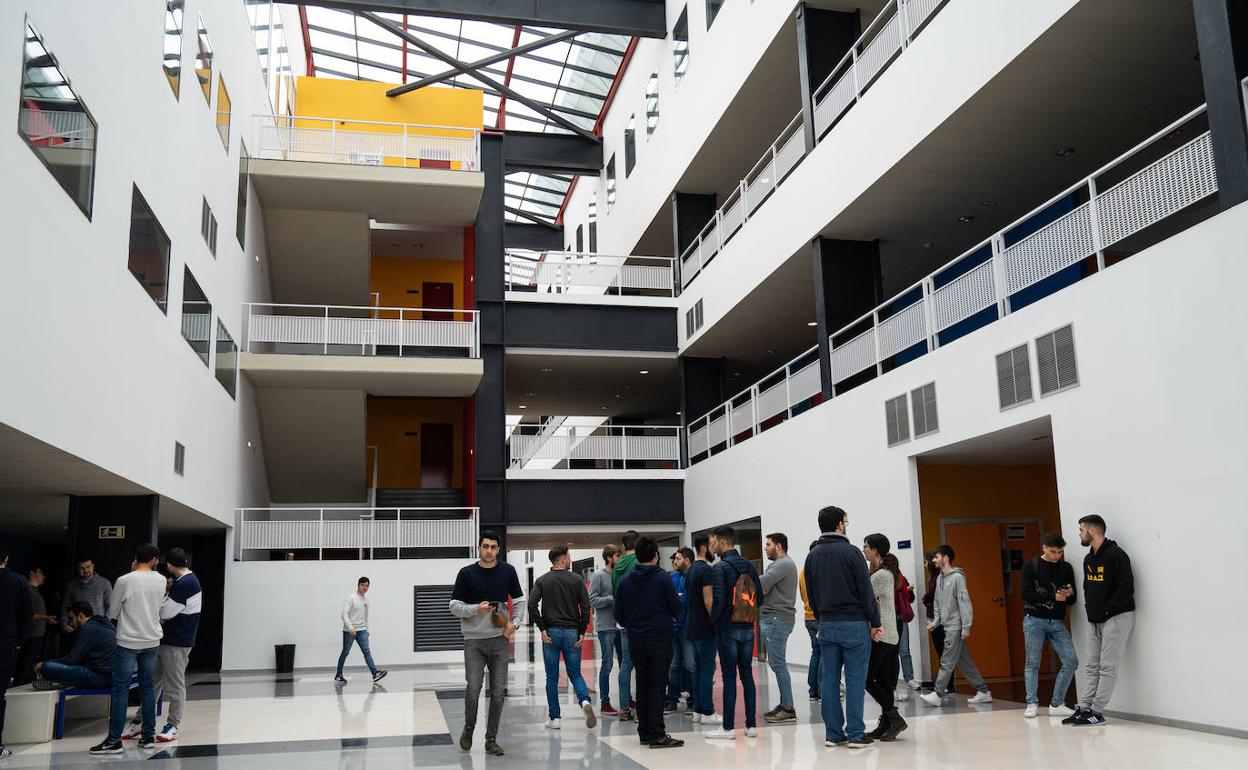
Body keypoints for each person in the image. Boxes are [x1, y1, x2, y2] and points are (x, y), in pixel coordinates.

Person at [804, 506, 882, 749]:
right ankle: (856, 734)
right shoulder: (851, 553)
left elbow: (812, 594)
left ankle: (833, 734)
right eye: (845, 521)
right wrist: (875, 622)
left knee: (829, 681)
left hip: (826, 624)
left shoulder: (812, 555)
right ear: (840, 524)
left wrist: (821, 617)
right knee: (855, 680)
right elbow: (865, 591)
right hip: (854, 624)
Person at [449, 531, 526, 757]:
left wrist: (516, 623)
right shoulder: (466, 573)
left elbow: (520, 602)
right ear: (479, 547)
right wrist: (475, 609)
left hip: (499, 640)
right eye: (485, 546)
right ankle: (469, 727)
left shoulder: (507, 571)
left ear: (498, 549)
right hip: (473, 641)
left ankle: (491, 739)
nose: (489, 551)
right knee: (473, 689)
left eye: (493, 547)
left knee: (499, 693)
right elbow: (453, 606)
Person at [89, 544, 167, 755]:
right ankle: (148, 737)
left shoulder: (124, 580)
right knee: (148, 688)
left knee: (121, 689)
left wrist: (132, 573)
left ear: (136, 559)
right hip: (151, 641)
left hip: (127, 642)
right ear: (154, 560)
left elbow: (113, 611)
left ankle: (114, 740)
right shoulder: (160, 580)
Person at [121, 548, 203, 742]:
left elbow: (166, 613)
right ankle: (140, 721)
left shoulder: (185, 584)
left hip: (177, 642)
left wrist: (155, 606)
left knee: (173, 685)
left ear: (169, 565)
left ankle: (173, 725)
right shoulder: (188, 580)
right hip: (169, 641)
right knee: (152, 683)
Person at [1064, 515, 1134, 727]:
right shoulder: (1089, 558)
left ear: (1091, 531)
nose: (1079, 534)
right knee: (1091, 665)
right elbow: (1088, 588)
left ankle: (1097, 711)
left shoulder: (1116, 555)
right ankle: (1084, 708)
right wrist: (1091, 612)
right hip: (1095, 619)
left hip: (1117, 617)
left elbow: (1126, 588)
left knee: (1107, 666)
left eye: (1081, 530)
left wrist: (1107, 611)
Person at [615, 537, 684, 749]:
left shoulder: (626, 580)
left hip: (636, 638)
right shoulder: (662, 578)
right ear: (655, 555)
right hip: (659, 637)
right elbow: (676, 608)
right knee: (657, 685)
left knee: (643, 684)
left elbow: (619, 614)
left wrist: (634, 625)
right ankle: (657, 734)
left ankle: (644, 731)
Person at [703, 526, 762, 741]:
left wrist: (715, 621)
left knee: (729, 678)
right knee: (747, 676)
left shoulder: (719, 568)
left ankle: (728, 728)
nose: (713, 546)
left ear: (721, 541)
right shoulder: (748, 565)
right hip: (747, 628)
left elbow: (718, 602)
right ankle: (751, 726)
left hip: (727, 630)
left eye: (714, 542)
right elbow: (760, 598)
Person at [530, 545, 595, 730]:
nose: (570, 558)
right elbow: (586, 607)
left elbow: (531, 605)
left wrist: (542, 628)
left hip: (551, 633)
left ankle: (555, 718)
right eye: (568, 556)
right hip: (572, 633)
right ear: (562, 559)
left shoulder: (542, 580)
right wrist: (582, 631)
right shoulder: (576, 579)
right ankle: (584, 702)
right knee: (575, 673)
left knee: (552, 677)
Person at [920, 545, 993, 707]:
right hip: (946, 624)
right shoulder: (939, 578)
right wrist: (936, 622)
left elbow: (964, 602)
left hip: (956, 625)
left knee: (946, 659)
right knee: (963, 660)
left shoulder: (958, 577)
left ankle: (937, 693)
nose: (934, 560)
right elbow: (937, 602)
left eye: (936, 557)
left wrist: (966, 627)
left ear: (945, 558)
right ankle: (983, 691)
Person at [1021, 532, 1078, 719]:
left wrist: (1069, 594)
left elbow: (1073, 599)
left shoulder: (1066, 567)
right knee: (1033, 663)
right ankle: (1031, 702)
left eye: (1060, 552)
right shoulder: (1031, 565)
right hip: (1034, 619)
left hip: (1057, 621)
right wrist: (1052, 597)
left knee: (1071, 660)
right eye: (1053, 552)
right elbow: (1026, 593)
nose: (1057, 556)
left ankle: (1057, 703)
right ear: (1044, 547)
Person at [862, 536, 907, 741]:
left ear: (876, 550)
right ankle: (887, 722)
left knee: (866, 678)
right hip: (889, 633)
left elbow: (864, 599)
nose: (864, 550)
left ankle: (894, 717)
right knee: (884, 681)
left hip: (881, 634)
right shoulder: (886, 573)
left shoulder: (881, 575)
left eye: (866, 547)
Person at [0, 543, 35, 760]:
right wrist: (19, 642)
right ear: (6, 559)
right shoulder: (18, 582)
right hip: (6, 644)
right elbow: (28, 616)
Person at [760, 532, 798, 724]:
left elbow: (760, 584)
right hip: (776, 618)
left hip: (776, 619)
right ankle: (785, 703)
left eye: (768, 544)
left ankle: (788, 707)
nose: (765, 547)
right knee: (777, 664)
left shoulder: (783, 564)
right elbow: (765, 587)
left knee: (778, 664)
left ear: (779, 546)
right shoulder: (778, 565)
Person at [35, 601, 114, 690]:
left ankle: (57, 680)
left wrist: (43, 664)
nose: (70, 623)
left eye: (71, 618)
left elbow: (71, 659)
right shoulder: (104, 625)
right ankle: (61, 681)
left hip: (100, 677)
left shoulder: (88, 629)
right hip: (111, 676)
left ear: (80, 616)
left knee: (47, 667)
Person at [684, 534, 721, 725]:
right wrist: (716, 621)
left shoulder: (690, 570)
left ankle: (698, 709)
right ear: (704, 549)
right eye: (713, 545)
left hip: (692, 626)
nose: (715, 549)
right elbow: (708, 600)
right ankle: (707, 710)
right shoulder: (707, 571)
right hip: (705, 627)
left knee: (698, 670)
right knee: (707, 670)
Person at [589, 544, 624, 716]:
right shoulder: (599, 576)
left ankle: (626, 698)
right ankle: (605, 702)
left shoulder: (621, 575)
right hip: (606, 627)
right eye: (618, 556)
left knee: (625, 664)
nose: (620, 559)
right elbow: (592, 600)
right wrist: (612, 599)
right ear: (609, 558)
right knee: (607, 664)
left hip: (622, 626)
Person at [335, 577, 387, 685]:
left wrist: (367, 630)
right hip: (349, 631)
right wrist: (350, 628)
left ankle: (375, 674)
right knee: (345, 652)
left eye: (367, 585)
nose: (365, 587)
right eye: (363, 585)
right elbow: (344, 614)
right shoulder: (351, 598)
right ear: (358, 585)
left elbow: (366, 616)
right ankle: (338, 675)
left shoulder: (366, 600)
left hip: (362, 630)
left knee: (367, 651)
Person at [611, 530, 640, 721]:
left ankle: (623, 708)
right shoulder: (638, 563)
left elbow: (615, 593)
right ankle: (640, 707)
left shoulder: (617, 566)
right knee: (641, 665)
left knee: (625, 665)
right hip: (639, 621)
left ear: (623, 547)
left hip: (622, 621)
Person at [921, 549, 955, 695]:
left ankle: (946, 685)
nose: (926, 564)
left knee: (943, 652)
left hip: (939, 619)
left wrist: (924, 598)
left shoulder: (938, 577)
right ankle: (945, 684)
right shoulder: (936, 576)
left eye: (926, 561)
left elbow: (932, 595)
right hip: (938, 618)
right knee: (942, 652)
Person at [15, 567, 56, 685]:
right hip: (30, 635)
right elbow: (26, 614)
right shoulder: (27, 590)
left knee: (29, 668)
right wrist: (45, 618)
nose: (43, 576)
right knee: (24, 667)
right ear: (32, 573)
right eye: (41, 573)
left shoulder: (36, 591)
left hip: (36, 636)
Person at [664, 547, 694, 713]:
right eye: (675, 559)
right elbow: (671, 599)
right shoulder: (672, 577)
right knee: (674, 665)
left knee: (690, 664)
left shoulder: (692, 576)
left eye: (678, 559)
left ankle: (693, 700)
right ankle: (672, 699)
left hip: (688, 628)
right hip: (673, 628)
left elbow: (688, 599)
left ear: (687, 560)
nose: (675, 562)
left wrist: (679, 597)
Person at [61, 557, 112, 629]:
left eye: (88, 567)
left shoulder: (105, 583)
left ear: (93, 566)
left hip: (98, 628)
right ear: (77, 569)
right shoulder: (71, 585)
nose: (86, 570)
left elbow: (110, 606)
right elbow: (65, 606)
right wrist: (64, 624)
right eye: (82, 568)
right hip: (77, 628)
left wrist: (105, 624)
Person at [798, 541, 819, 702]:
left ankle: (813, 690)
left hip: (807, 617)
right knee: (825, 655)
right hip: (819, 618)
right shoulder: (818, 571)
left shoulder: (802, 572)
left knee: (816, 653)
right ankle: (821, 690)